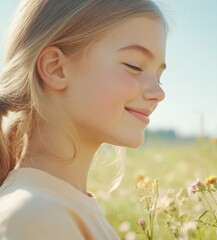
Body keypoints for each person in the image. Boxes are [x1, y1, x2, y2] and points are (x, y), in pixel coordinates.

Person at [0, 0, 167, 239]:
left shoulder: (60, 210)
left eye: (159, 77)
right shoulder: (33, 217)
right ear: (56, 68)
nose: (159, 93)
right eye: (135, 66)